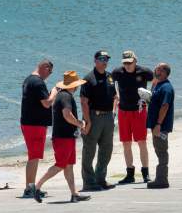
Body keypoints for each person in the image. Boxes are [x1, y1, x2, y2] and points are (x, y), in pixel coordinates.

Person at [34, 71, 91, 203]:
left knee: (69, 165)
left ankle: (74, 194)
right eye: (76, 85)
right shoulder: (66, 96)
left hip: (66, 136)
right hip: (63, 137)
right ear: (74, 86)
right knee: (60, 165)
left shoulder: (62, 95)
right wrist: (80, 123)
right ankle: (37, 186)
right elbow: (66, 114)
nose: (77, 87)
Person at [112, 50, 153, 184]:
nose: (128, 65)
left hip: (139, 110)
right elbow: (110, 84)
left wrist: (149, 96)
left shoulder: (144, 72)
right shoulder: (117, 72)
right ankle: (130, 174)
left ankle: (145, 173)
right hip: (123, 111)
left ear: (135, 61)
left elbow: (157, 78)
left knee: (142, 142)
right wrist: (114, 98)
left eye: (130, 62)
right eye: (125, 63)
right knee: (126, 143)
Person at [80, 50, 117, 191]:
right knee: (89, 149)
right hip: (93, 117)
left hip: (108, 117)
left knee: (106, 149)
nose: (104, 61)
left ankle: (100, 179)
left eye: (106, 59)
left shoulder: (110, 77)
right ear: (95, 60)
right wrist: (87, 121)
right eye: (102, 59)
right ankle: (89, 182)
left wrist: (113, 112)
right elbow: (83, 101)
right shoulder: (89, 78)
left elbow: (115, 96)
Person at [20, 59, 58, 199]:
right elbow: (47, 103)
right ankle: (29, 188)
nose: (49, 74)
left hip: (30, 122)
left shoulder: (29, 80)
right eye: (49, 71)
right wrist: (54, 91)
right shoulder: (37, 82)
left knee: (34, 156)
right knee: (34, 156)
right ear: (44, 67)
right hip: (34, 124)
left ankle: (31, 187)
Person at [146, 63, 175, 189]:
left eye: (158, 68)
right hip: (155, 125)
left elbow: (165, 106)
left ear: (163, 72)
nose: (155, 69)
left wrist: (158, 124)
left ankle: (162, 179)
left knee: (162, 151)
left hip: (161, 126)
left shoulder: (166, 88)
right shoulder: (158, 84)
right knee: (158, 150)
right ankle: (160, 178)